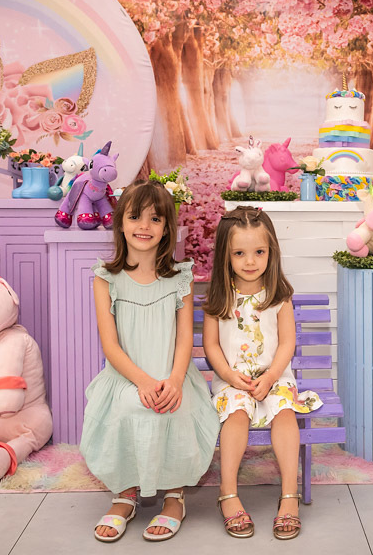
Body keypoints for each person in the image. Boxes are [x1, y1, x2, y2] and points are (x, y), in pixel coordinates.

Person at [79, 179, 219, 543]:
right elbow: (110, 345)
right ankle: (125, 492)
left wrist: (173, 381)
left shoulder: (180, 279)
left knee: (176, 408)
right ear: (120, 223)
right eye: (135, 217)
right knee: (130, 409)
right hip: (126, 376)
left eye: (155, 219)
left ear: (167, 228)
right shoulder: (106, 279)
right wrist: (142, 381)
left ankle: (174, 494)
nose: (144, 226)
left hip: (173, 373)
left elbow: (186, 338)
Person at [203, 206, 323, 540]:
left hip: (275, 377)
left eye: (259, 252)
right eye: (239, 253)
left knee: (285, 412)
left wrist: (271, 378)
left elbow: (287, 343)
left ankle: (289, 495)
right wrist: (228, 375)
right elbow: (211, 345)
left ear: (272, 251)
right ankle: (228, 493)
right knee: (237, 415)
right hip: (234, 379)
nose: (250, 261)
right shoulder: (219, 296)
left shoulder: (278, 295)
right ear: (226, 256)